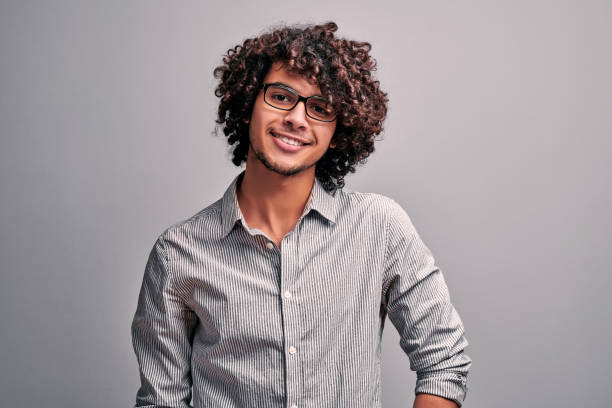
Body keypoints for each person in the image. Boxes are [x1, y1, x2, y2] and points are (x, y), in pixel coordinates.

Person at [131, 21, 471, 408]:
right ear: (247, 106)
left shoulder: (379, 226)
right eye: (280, 96)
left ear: (338, 131)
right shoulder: (178, 253)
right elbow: (162, 401)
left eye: (320, 108)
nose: (297, 118)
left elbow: (445, 361)